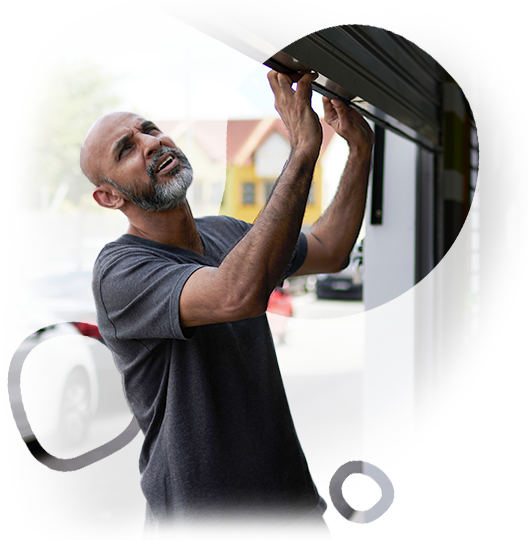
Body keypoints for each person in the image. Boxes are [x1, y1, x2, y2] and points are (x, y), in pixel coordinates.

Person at [79, 70, 374, 540]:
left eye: (149, 129)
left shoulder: (226, 233)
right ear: (109, 196)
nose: (149, 143)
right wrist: (301, 150)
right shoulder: (119, 270)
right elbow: (237, 294)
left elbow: (331, 247)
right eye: (126, 149)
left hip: (296, 515)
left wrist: (360, 151)